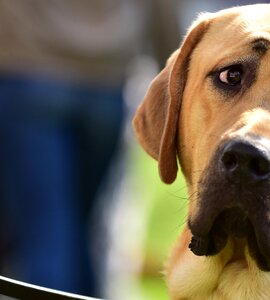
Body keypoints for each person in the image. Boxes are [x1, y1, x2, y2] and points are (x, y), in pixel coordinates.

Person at [0, 1, 179, 296]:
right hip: (105, 79)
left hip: (28, 70)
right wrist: (174, 68)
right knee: (88, 237)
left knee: (47, 236)